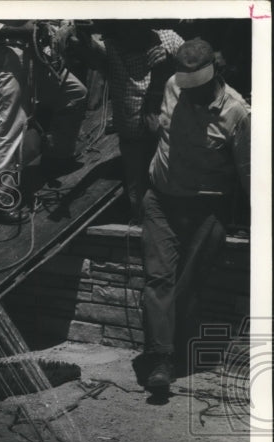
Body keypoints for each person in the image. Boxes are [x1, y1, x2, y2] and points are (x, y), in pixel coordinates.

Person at [139, 38, 250, 391]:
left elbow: (249, 171)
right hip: (161, 200)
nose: (191, 96)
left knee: (185, 287)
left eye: (198, 90)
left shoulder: (237, 112)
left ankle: (179, 351)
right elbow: (155, 124)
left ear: (214, 74)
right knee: (159, 279)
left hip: (207, 208)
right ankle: (160, 360)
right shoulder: (173, 86)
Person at [0, 20, 87, 224]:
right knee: (9, 126)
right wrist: (20, 31)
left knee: (75, 92)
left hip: (38, 56)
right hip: (8, 55)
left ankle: (56, 158)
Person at [91, 22, 183, 220]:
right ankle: (141, 229)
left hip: (168, 139)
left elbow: (198, 65)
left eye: (135, 24)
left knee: (170, 190)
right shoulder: (111, 47)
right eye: (124, 26)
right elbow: (88, 50)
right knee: (138, 194)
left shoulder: (169, 38)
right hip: (132, 138)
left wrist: (172, 62)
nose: (130, 31)